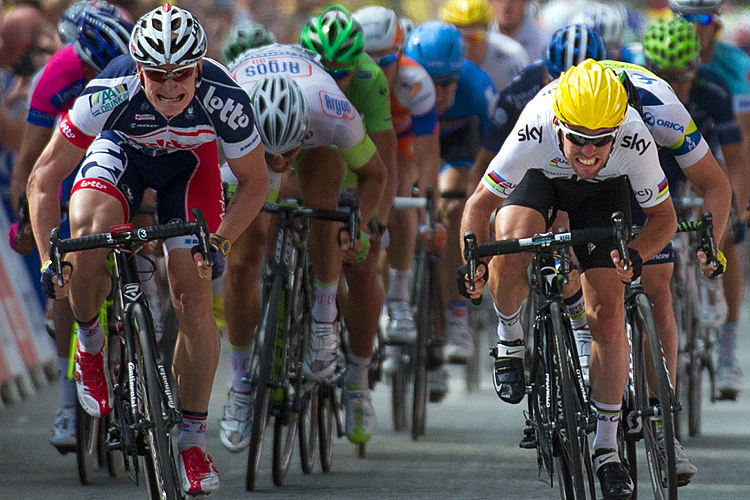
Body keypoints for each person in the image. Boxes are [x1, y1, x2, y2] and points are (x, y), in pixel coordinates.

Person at [26, 5, 268, 496]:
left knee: (195, 298)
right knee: (89, 235)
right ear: (138, 69)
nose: (171, 87)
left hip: (188, 172)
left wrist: (221, 239)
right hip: (122, 155)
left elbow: (256, 182)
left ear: (200, 67)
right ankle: (90, 346)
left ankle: (193, 445)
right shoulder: (111, 92)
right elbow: (43, 177)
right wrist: (51, 260)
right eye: (157, 75)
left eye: (182, 74)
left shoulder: (226, 99)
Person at [460, 59, 677, 500]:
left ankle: (605, 447)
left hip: (604, 192)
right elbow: (479, 205)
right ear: (559, 124)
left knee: (608, 316)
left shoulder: (634, 138)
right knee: (513, 241)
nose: (589, 153)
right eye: (578, 139)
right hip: (539, 179)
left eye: (601, 141)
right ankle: (510, 336)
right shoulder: (535, 126)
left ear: (619, 130)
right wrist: (473, 263)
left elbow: (663, 218)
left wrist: (636, 255)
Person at [220, 42, 386, 448]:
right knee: (242, 261)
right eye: (271, 156)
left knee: (324, 206)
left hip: (317, 139)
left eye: (286, 154)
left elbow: (376, 176)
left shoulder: (332, 110)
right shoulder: (225, 113)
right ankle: (240, 386)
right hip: (246, 146)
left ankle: (326, 322)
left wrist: (355, 226)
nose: (279, 164)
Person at [7, 1, 132, 454]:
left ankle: (144, 327)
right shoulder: (56, 76)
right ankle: (66, 400)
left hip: (127, 153)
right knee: (66, 266)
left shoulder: (140, 69)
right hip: (71, 154)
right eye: (97, 70)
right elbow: (31, 167)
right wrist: (27, 216)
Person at [352, 5, 446, 396]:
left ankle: (400, 296)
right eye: (366, 61)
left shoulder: (414, 82)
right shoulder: (343, 76)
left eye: (385, 61)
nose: (376, 70)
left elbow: (427, 155)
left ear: (401, 54)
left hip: (401, 143)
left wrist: (431, 208)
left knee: (404, 186)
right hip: (357, 138)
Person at [404, 21, 499, 363]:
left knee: (455, 203)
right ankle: (402, 300)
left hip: (461, 147)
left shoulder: (477, 85)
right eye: (431, 83)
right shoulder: (402, 82)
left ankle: (456, 314)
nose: (439, 94)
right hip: (416, 143)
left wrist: (480, 194)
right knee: (402, 205)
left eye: (447, 83)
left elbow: (499, 148)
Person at [669, 0, 749, 398]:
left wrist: (740, 204)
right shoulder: (655, 57)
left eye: (700, 19)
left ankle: (729, 351)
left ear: (715, 25)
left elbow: (741, 143)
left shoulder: (729, 69)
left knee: (727, 228)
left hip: (712, 147)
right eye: (682, 18)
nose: (691, 28)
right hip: (665, 149)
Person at [438, 0, 528, 92]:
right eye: (460, 37)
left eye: (475, 37)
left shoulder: (512, 56)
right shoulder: (437, 58)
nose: (467, 45)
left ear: (487, 32)